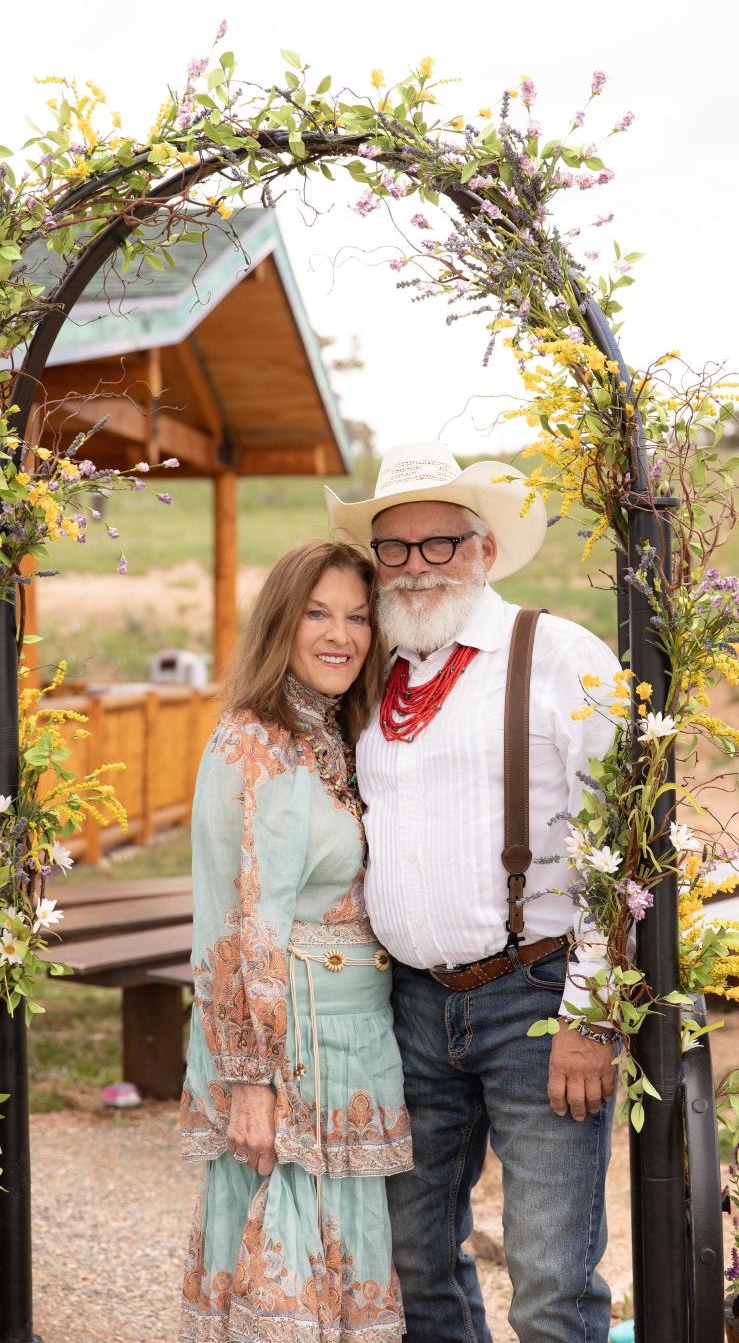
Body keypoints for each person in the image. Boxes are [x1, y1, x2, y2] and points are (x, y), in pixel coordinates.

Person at [326, 441, 621, 1343]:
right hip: (409, 1006)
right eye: (395, 549)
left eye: (440, 544)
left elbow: (625, 849)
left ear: (484, 549)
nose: (416, 568)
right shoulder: (373, 672)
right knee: (416, 1261)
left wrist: (592, 1016)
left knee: (549, 1278)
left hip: (537, 1001)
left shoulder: (560, 655)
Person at [179, 540, 412, 1343]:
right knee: (284, 1288)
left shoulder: (342, 736)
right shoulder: (252, 742)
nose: (340, 634)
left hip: (354, 1044)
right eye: (318, 613)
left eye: (357, 616)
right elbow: (236, 925)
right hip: (288, 1054)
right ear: (283, 619)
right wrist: (251, 1079)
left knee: (348, 1283)